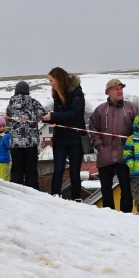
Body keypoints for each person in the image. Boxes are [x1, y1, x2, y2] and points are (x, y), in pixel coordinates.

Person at [88, 79, 138, 212]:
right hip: (105, 156)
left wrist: (130, 147)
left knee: (126, 188)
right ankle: (108, 215)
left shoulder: (131, 108)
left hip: (125, 156)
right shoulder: (100, 110)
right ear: (108, 92)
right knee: (106, 189)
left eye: (121, 88)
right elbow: (93, 129)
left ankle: (125, 215)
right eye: (116, 89)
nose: (120, 91)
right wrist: (100, 146)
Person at [43, 67, 86, 201]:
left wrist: (54, 116)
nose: (50, 83)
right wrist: (48, 119)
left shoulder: (77, 92)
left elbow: (75, 114)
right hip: (60, 138)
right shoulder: (56, 93)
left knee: (74, 171)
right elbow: (60, 117)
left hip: (75, 139)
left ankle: (76, 198)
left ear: (59, 79)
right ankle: (55, 196)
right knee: (58, 169)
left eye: (51, 80)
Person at [5, 81, 46, 189]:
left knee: (16, 169)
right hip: (31, 142)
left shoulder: (11, 102)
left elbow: (8, 115)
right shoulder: (33, 102)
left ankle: (16, 192)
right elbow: (43, 114)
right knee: (31, 170)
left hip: (16, 142)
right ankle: (32, 192)